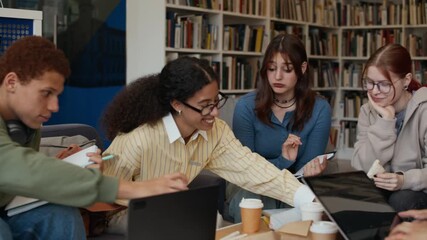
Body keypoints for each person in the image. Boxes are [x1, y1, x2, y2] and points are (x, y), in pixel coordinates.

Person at [0, 36, 188, 240]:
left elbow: (20, 174)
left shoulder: (27, 123)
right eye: (46, 93)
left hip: (7, 206)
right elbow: (16, 166)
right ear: (12, 82)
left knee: (62, 216)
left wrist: (67, 165)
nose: (54, 106)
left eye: (57, 96)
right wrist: (138, 188)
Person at [101, 56, 316, 233]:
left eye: (216, 101)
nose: (215, 112)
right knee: (180, 226)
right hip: (125, 213)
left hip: (172, 207)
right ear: (177, 104)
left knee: (212, 219)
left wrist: (307, 198)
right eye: (205, 106)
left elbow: (251, 168)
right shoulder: (140, 139)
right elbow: (100, 189)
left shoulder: (216, 132)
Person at [228, 33, 332, 222]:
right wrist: (283, 161)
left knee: (303, 200)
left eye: (287, 69)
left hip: (295, 185)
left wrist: (312, 171)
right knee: (253, 198)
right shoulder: (246, 106)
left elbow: (305, 169)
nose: (277, 76)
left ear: (302, 68)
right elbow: (246, 170)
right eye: (271, 68)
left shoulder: (320, 108)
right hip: (250, 186)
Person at [351, 43, 427, 212]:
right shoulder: (367, 111)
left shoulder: (425, 109)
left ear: (406, 80)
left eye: (384, 84)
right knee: (352, 194)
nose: (374, 91)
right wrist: (386, 121)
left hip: (417, 190)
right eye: (369, 83)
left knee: (402, 200)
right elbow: (361, 167)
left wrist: (404, 180)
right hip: (382, 188)